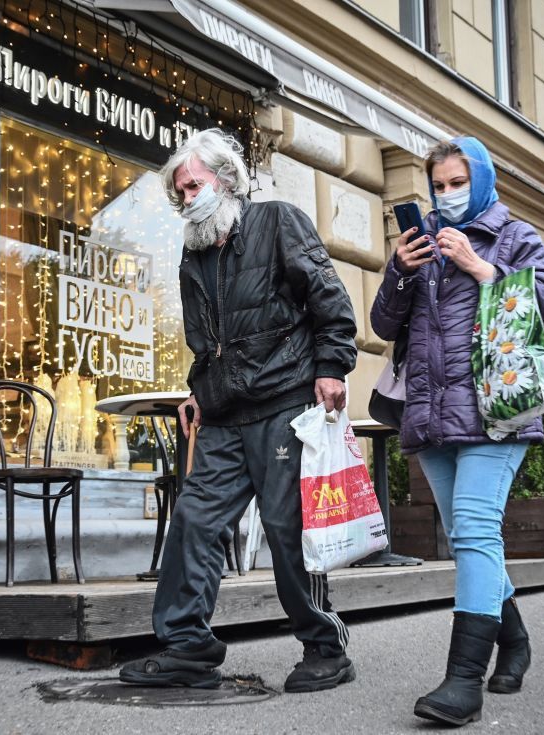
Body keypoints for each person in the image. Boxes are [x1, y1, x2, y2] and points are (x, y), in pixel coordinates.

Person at [118, 129, 358, 692]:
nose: (186, 198)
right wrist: (199, 391)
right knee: (195, 520)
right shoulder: (194, 252)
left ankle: (325, 647)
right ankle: (187, 648)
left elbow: (330, 299)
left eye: (193, 185)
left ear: (225, 180)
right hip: (225, 413)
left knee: (284, 527)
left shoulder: (278, 221)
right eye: (179, 192)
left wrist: (332, 366)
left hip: (284, 401)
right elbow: (205, 339)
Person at [370, 137, 544, 726]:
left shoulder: (515, 236)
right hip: (430, 415)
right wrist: (402, 271)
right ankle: (516, 639)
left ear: (479, 180)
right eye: (439, 186)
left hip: (494, 411)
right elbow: (382, 324)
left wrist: (481, 267)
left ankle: (462, 682)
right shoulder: (420, 239)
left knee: (476, 530)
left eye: (458, 183)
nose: (448, 195)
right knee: (466, 536)